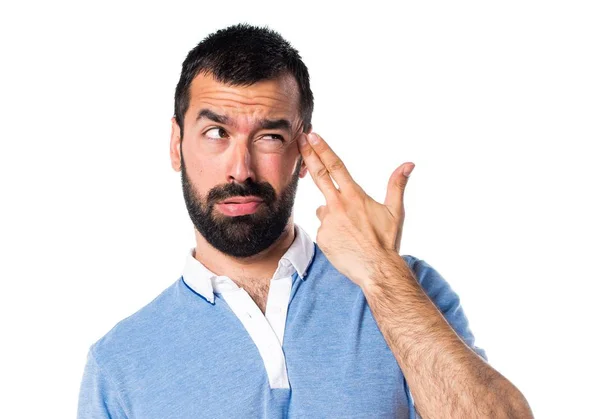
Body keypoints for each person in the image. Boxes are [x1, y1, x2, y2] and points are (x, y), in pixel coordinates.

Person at [77, 23, 533, 419]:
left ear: (303, 152)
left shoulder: (404, 289)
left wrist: (381, 273)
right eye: (216, 133)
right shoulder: (118, 363)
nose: (241, 169)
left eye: (269, 136)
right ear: (176, 144)